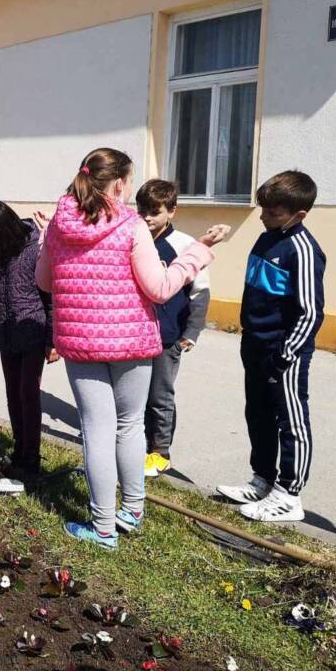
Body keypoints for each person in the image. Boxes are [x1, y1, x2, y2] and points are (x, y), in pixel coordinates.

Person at [36, 148, 229, 549]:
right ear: (121, 184)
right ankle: (132, 511)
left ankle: (103, 528)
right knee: (129, 426)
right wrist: (197, 252)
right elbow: (159, 289)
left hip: (81, 341)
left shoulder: (58, 224)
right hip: (133, 341)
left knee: (97, 431)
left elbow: (46, 282)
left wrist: (47, 244)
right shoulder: (131, 225)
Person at [217, 171, 325, 522]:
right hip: (255, 344)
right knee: (258, 413)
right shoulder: (267, 239)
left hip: (284, 351)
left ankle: (289, 494)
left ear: (299, 214)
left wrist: (286, 353)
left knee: (290, 419)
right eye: (263, 208)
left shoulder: (303, 249)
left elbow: (310, 312)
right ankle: (263, 479)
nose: (263, 216)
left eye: (273, 212)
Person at [0, 201, 58, 480]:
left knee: (28, 395)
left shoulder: (35, 247)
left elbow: (51, 296)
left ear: (4, 232)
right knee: (13, 395)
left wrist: (52, 339)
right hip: (5, 332)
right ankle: (19, 449)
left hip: (33, 330)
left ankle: (31, 460)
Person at [134, 180, 211, 478]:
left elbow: (200, 292)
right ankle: (140, 443)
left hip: (168, 337)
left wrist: (191, 332)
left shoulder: (185, 246)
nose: (147, 218)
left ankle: (160, 452)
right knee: (137, 394)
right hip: (137, 334)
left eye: (155, 211)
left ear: (172, 211)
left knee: (160, 395)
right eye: (142, 211)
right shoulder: (135, 240)